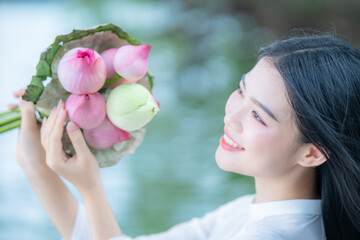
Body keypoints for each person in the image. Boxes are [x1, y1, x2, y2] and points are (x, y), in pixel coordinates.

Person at [14, 33, 360, 240]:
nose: (231, 117)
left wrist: (90, 187)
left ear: (313, 153)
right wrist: (35, 163)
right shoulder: (255, 212)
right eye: (241, 92)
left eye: (258, 115)